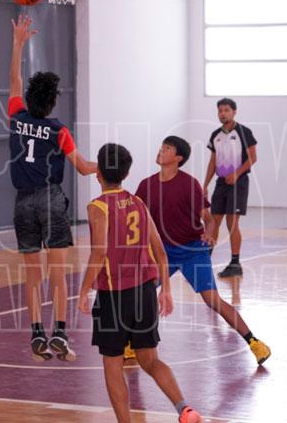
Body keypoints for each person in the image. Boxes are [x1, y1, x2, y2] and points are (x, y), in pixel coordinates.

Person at [77, 143, 202, 423]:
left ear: (98, 172)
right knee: (150, 360)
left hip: (114, 295)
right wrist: (165, 289)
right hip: (144, 291)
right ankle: (184, 409)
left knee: (113, 364)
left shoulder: (98, 207)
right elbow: (160, 250)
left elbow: (99, 252)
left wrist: (84, 290)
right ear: (126, 173)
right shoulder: (138, 202)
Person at [7, 14, 97, 362]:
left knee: (33, 275)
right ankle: (59, 332)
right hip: (50, 200)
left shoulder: (16, 117)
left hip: (22, 203)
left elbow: (14, 81)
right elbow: (83, 168)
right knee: (57, 273)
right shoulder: (59, 130)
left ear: (29, 98)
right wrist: (108, 166)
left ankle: (36, 334)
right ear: (53, 103)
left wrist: (18, 44)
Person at [136, 136, 271, 365]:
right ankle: (133, 344)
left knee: (213, 300)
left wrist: (209, 233)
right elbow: (138, 218)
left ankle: (254, 342)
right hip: (163, 252)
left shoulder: (189, 184)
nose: (161, 150)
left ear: (178, 158)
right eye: (161, 146)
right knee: (141, 293)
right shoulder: (146, 185)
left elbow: (208, 219)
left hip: (192, 250)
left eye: (167, 148)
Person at [203, 98, 257, 278]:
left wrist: (236, 173)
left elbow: (252, 158)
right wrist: (205, 184)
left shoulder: (243, 132)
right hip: (221, 183)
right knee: (213, 222)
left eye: (226, 110)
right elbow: (212, 162)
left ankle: (235, 263)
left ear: (234, 112)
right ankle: (204, 261)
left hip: (238, 182)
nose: (223, 113)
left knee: (231, 223)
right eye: (220, 110)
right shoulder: (215, 135)